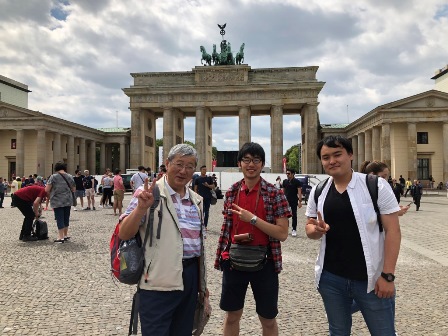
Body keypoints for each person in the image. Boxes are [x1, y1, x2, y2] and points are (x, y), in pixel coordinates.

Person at [305, 135, 401, 336]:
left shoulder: (375, 185)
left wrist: (388, 275)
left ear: (350, 155)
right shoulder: (318, 191)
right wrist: (316, 230)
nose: (332, 161)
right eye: (326, 157)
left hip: (372, 278)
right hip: (331, 279)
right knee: (338, 332)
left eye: (337, 154)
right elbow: (309, 228)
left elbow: (393, 231)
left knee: (383, 332)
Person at [119, 144, 208, 335]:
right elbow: (123, 233)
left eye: (190, 166)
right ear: (167, 164)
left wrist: (202, 287)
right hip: (158, 280)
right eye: (179, 164)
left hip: (190, 278)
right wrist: (141, 209)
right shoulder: (150, 194)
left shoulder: (196, 200)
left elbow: (199, 248)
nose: (183, 171)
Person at [215, 142, 291, 336]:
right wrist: (221, 257)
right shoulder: (231, 192)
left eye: (256, 160)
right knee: (232, 315)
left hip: (264, 262)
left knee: (267, 318)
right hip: (234, 260)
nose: (251, 164)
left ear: (262, 164)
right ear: (239, 163)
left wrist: (253, 219)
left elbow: (282, 233)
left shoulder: (275, 193)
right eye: (246, 160)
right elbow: (227, 229)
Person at [46, 162, 76, 243]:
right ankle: (65, 235)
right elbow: (73, 189)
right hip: (68, 199)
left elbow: (47, 189)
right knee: (66, 217)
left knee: (59, 218)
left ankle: (60, 237)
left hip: (57, 200)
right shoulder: (70, 176)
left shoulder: (53, 177)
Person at [12, 177, 46, 241]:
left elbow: (38, 203)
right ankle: (26, 235)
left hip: (18, 197)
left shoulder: (42, 190)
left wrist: (39, 211)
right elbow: (35, 203)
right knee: (30, 216)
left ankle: (23, 235)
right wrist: (36, 213)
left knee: (28, 216)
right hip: (20, 198)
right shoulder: (43, 190)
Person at [282, 168, 302, 237]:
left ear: (293, 174)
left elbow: (299, 192)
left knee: (294, 215)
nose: (287, 175)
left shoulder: (297, 182)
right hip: (286, 201)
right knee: (285, 215)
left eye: (289, 173)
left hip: (294, 200)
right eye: (286, 173)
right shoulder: (285, 181)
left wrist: (300, 201)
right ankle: (285, 228)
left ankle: (294, 229)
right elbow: (283, 191)